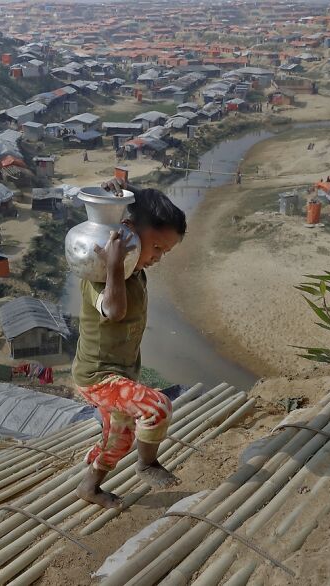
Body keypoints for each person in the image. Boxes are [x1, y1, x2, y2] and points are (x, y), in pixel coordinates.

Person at [72, 179, 187, 509]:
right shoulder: (98, 274)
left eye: (164, 252)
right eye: (158, 249)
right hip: (98, 377)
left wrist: (125, 189)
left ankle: (89, 487)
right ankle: (147, 463)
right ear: (126, 234)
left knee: (118, 440)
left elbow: (135, 211)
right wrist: (111, 265)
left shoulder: (133, 271)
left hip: (121, 376)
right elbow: (114, 310)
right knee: (157, 407)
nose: (158, 258)